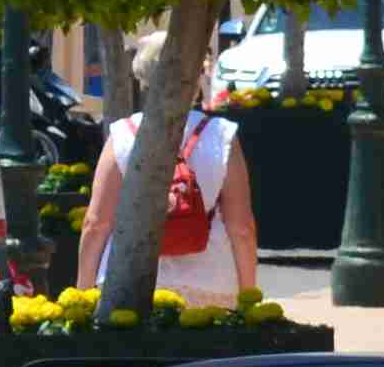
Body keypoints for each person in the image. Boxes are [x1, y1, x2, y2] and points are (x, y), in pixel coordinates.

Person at [77, 91, 260, 308]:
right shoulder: (220, 135)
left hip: (126, 281)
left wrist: (83, 295)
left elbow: (96, 224)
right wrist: (249, 298)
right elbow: (242, 229)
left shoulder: (123, 134)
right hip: (209, 284)